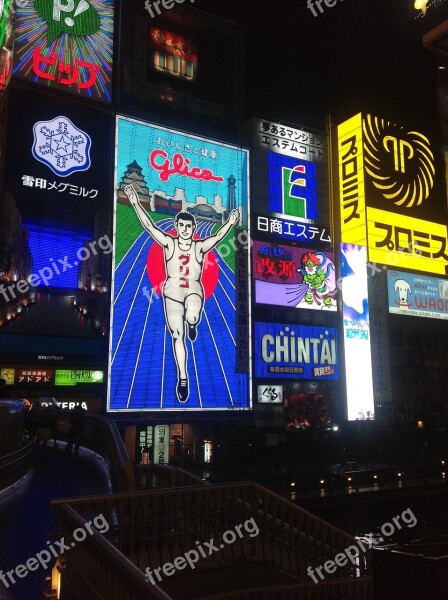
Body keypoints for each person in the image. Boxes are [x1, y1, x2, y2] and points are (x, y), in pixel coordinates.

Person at [124, 183, 240, 402]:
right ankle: (183, 377)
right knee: (178, 336)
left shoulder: (199, 247)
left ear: (193, 228)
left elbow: (218, 237)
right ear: (177, 226)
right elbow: (149, 226)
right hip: (172, 294)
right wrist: (134, 202)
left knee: (192, 316)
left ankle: (193, 323)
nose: (185, 229)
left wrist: (231, 222)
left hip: (194, 289)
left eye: (189, 226)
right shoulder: (169, 243)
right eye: (182, 226)